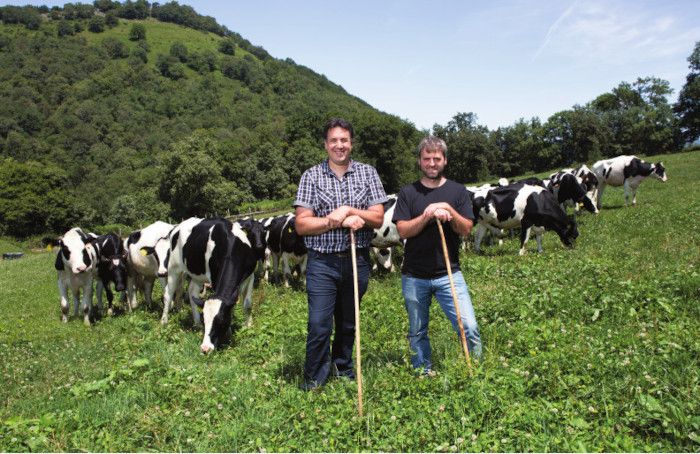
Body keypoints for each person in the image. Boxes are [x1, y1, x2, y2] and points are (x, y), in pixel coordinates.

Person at [293, 118, 387, 391]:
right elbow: (302, 225)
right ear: (325, 145)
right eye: (333, 140)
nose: (339, 145)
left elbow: (378, 217)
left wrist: (350, 211)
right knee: (319, 324)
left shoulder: (368, 173)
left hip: (357, 259)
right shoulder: (311, 176)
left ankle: (343, 369)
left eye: (344, 140)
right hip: (322, 262)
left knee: (348, 322)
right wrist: (334, 221)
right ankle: (313, 381)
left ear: (351, 143)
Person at [392, 136, 482, 376]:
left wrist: (448, 209)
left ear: (444, 161)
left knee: (468, 326)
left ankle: (476, 369)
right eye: (426, 158)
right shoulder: (408, 193)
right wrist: (427, 215)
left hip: (449, 273)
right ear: (420, 162)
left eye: (436, 158)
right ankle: (423, 373)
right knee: (417, 330)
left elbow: (466, 229)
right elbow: (402, 230)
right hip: (414, 275)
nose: (432, 163)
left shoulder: (457, 191)